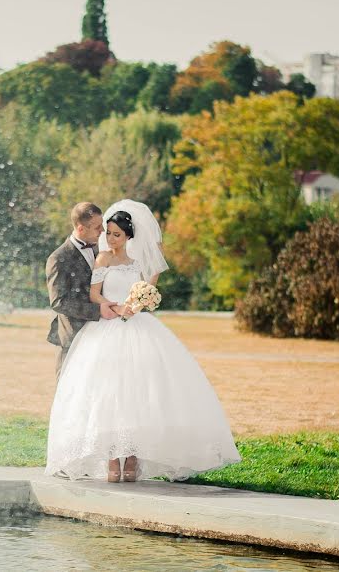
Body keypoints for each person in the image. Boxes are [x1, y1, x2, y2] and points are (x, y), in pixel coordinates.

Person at [45, 200, 241, 483]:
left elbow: (145, 286)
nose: (106, 236)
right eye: (103, 230)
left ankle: (134, 458)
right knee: (100, 395)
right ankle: (99, 457)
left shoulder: (134, 264)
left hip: (134, 329)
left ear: (128, 237)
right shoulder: (82, 258)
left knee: (140, 393)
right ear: (81, 227)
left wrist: (137, 303)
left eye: (113, 232)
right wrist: (108, 307)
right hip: (98, 330)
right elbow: (81, 296)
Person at [45, 202, 120, 380]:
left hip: (102, 334)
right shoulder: (58, 258)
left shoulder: (100, 251)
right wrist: (97, 310)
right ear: (80, 228)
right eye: (96, 227)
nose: (102, 231)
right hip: (73, 336)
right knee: (68, 392)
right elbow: (58, 302)